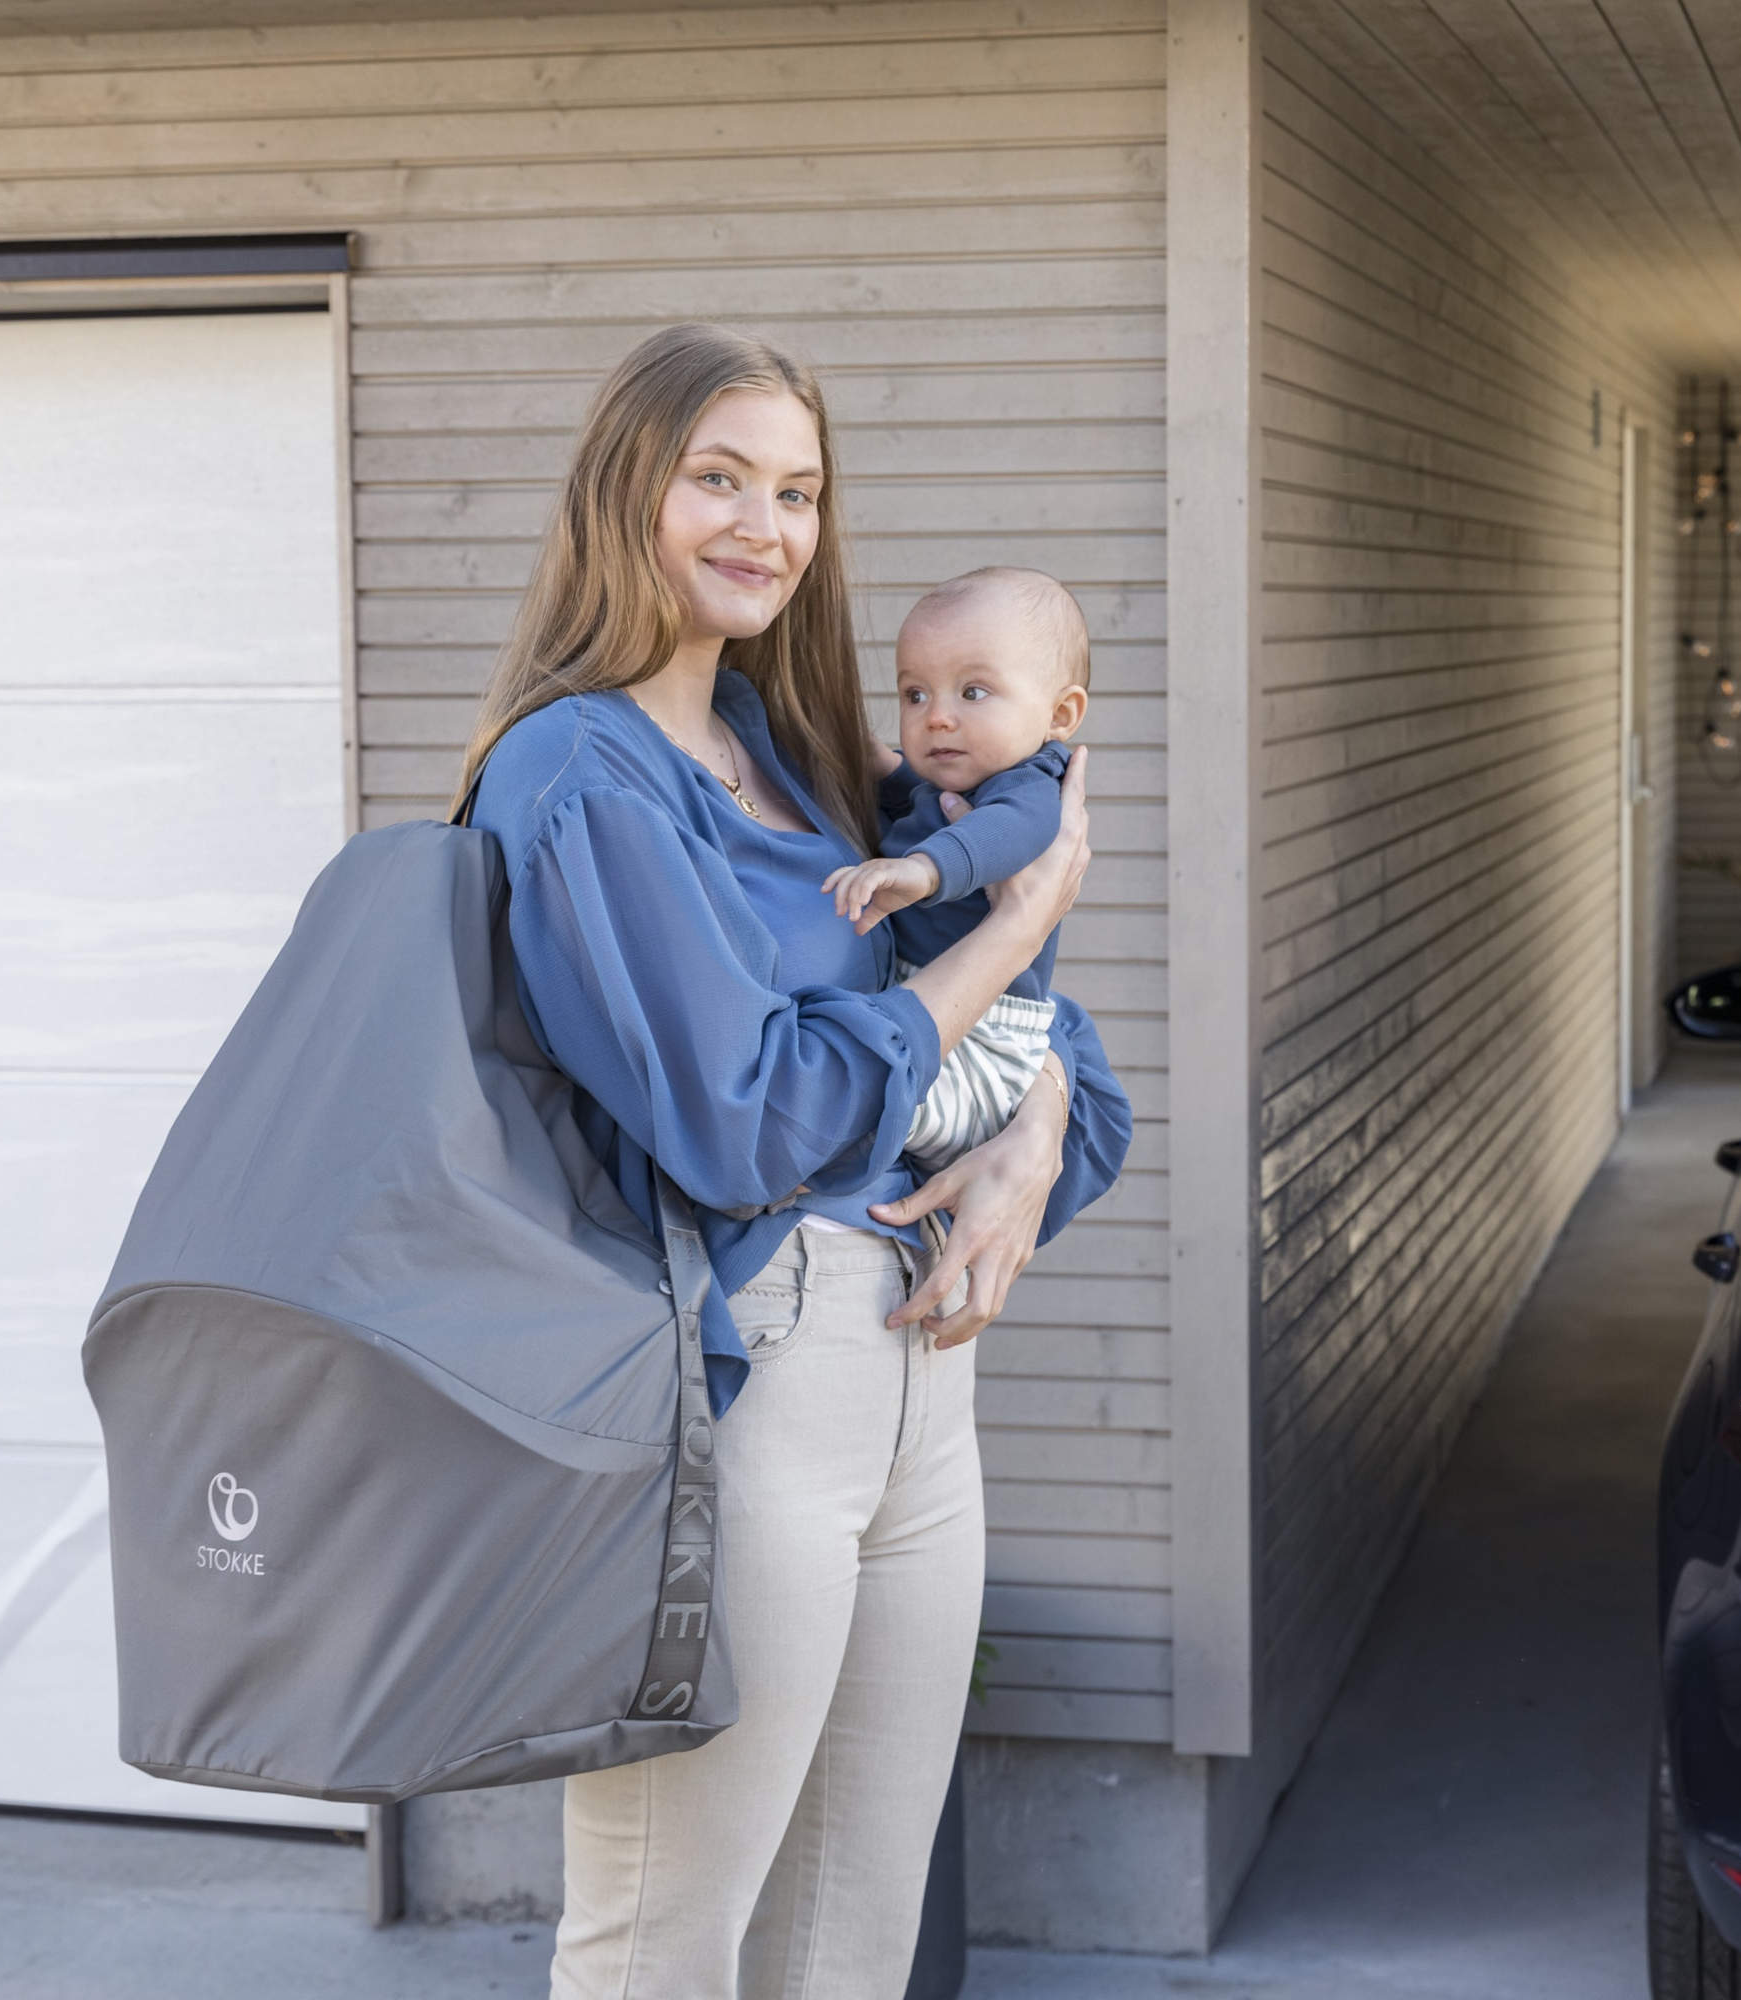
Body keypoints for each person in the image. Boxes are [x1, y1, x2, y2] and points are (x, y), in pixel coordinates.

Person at [449, 322, 1132, 2000]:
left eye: (800, 491)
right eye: (722, 479)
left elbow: (1058, 1065)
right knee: (665, 1943)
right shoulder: (581, 772)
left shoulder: (809, 759)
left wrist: (1031, 1137)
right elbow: (752, 1118)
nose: (766, 525)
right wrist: (1026, 920)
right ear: (631, 491)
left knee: (852, 1940)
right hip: (745, 1392)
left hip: (923, 1402)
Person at [823, 565, 1090, 1170]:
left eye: (972, 692)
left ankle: (805, 1152)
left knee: (860, 1104)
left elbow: (1003, 835)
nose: (936, 716)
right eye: (915, 694)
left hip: (987, 1038)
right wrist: (864, 757)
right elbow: (910, 793)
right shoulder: (956, 780)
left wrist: (923, 870)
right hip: (937, 1007)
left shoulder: (1030, 786)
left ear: (1060, 714)